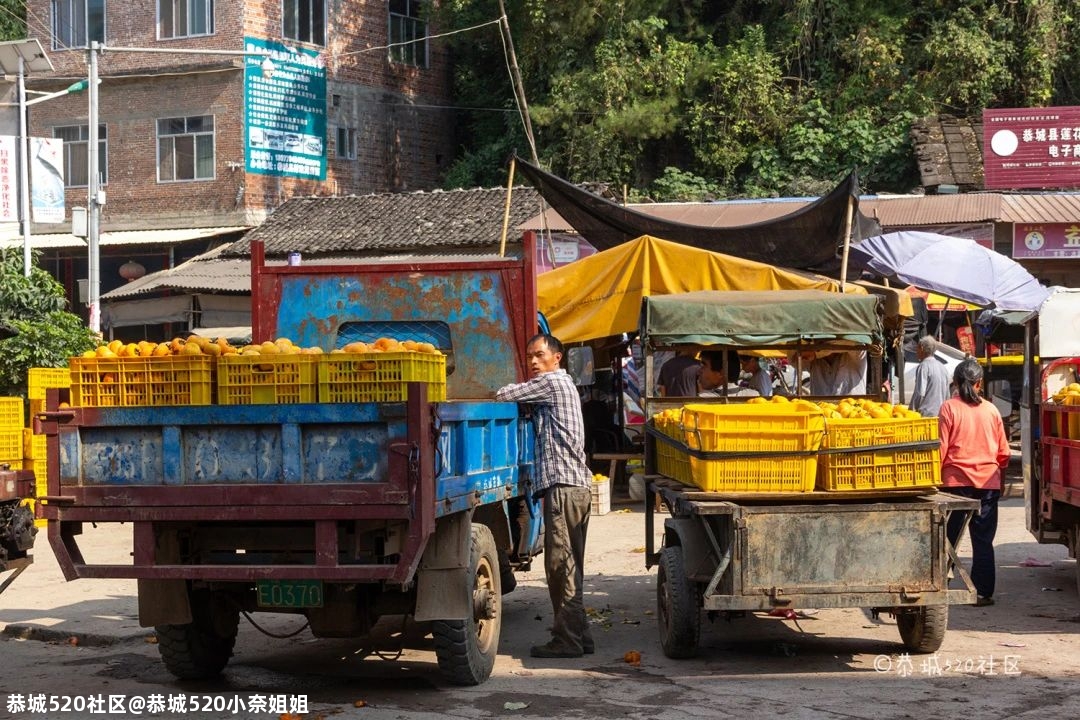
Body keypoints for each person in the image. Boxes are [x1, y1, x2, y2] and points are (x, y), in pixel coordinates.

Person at [495, 333, 595, 658]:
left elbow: (505, 394)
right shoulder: (559, 388)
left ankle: (567, 640)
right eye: (529, 357)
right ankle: (581, 636)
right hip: (575, 487)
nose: (534, 362)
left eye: (539, 355)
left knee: (560, 566)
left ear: (557, 358)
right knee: (571, 565)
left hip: (565, 489)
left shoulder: (552, 383)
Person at [939, 358, 1011, 607]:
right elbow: (1003, 452)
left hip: (955, 483)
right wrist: (998, 478)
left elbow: (941, 448)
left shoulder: (949, 408)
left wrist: (934, 479)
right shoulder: (992, 410)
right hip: (987, 484)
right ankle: (983, 593)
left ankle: (940, 586)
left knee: (947, 537)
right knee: (983, 540)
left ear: (956, 383)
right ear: (980, 383)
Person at [910, 335, 951, 417]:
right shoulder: (942, 367)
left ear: (921, 348)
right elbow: (947, 395)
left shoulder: (924, 366)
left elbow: (920, 392)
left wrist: (911, 410)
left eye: (917, 348)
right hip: (940, 415)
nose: (916, 351)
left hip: (927, 415)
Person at [801, 349, 867, 396]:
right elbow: (791, 356)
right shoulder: (811, 358)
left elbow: (855, 343)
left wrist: (818, 353)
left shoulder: (856, 355)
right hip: (820, 413)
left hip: (854, 413)